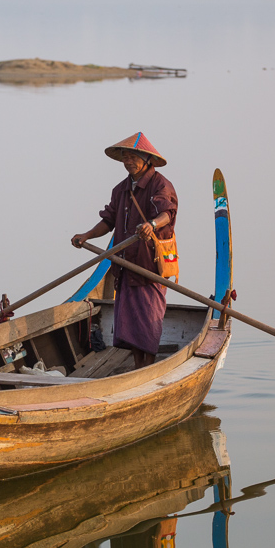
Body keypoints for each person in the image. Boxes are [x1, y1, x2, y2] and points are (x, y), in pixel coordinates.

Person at [71, 132, 177, 370]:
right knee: (131, 325)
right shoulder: (120, 189)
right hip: (125, 266)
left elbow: (166, 213)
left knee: (148, 322)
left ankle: (146, 368)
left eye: (133, 157)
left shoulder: (160, 184)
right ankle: (139, 366)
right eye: (125, 157)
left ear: (146, 159)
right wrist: (86, 235)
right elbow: (109, 220)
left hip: (149, 266)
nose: (128, 162)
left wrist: (152, 225)